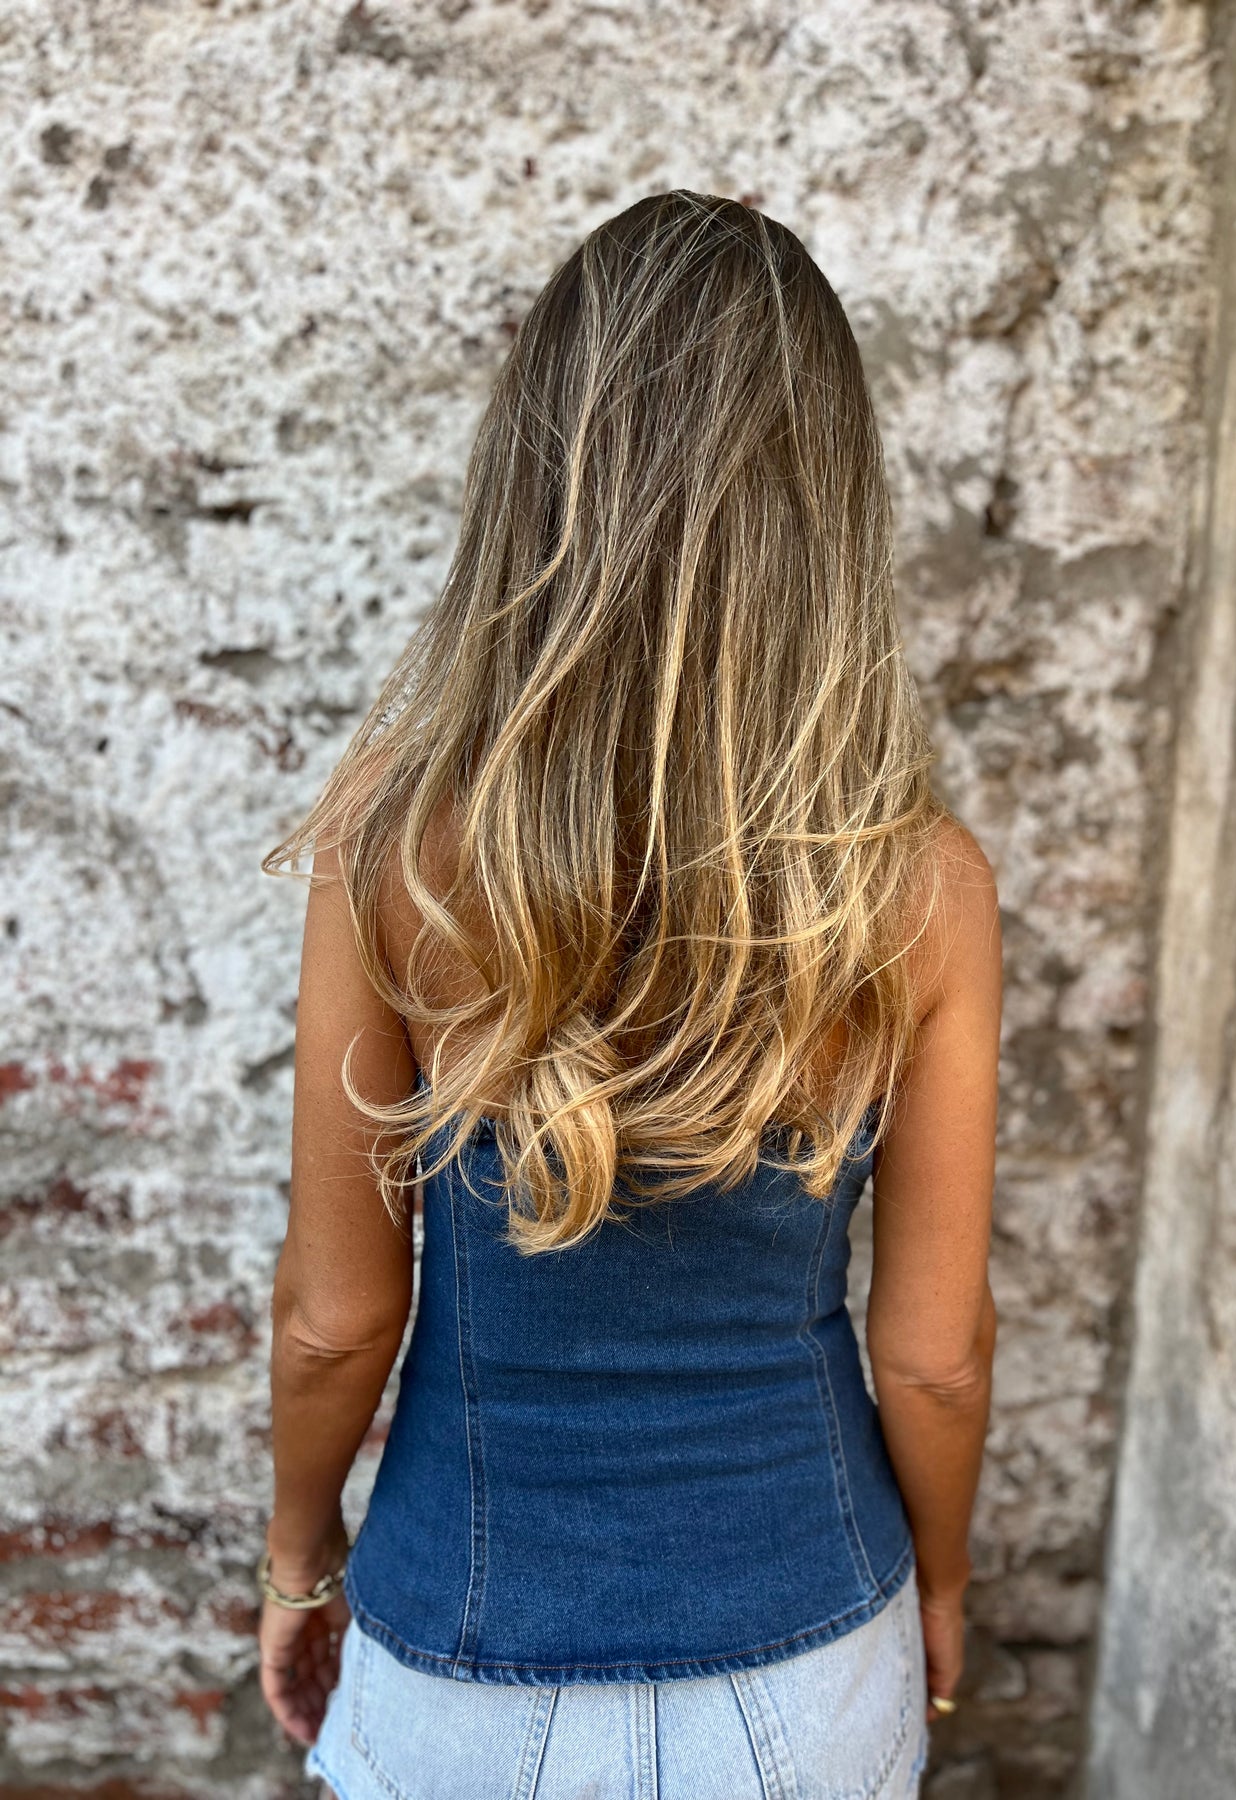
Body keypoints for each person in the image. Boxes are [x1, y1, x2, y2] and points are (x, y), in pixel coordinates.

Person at [255, 189, 1000, 1800]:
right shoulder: (919, 884)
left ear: (537, 478)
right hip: (809, 1661)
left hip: (462, 1653)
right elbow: (935, 1356)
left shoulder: (397, 847)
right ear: (827, 504)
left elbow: (334, 1321)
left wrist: (298, 1561)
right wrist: (942, 1588)